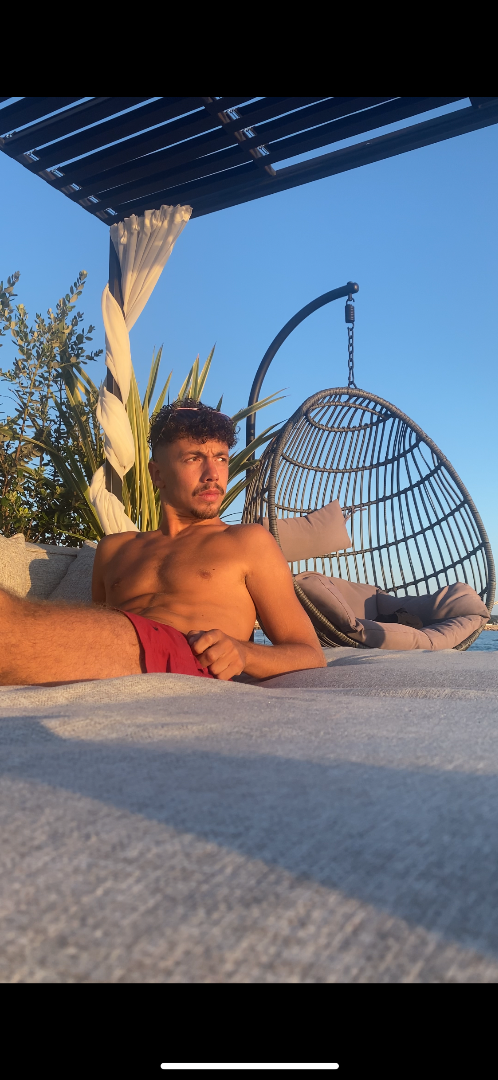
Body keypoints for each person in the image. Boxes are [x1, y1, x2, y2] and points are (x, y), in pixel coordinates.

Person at [0, 401, 326, 685]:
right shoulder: (113, 549)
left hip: (188, 660)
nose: (213, 474)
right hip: (118, 666)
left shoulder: (248, 541)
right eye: (194, 458)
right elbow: (96, 632)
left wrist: (243, 653)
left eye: (221, 458)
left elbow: (310, 654)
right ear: (157, 474)